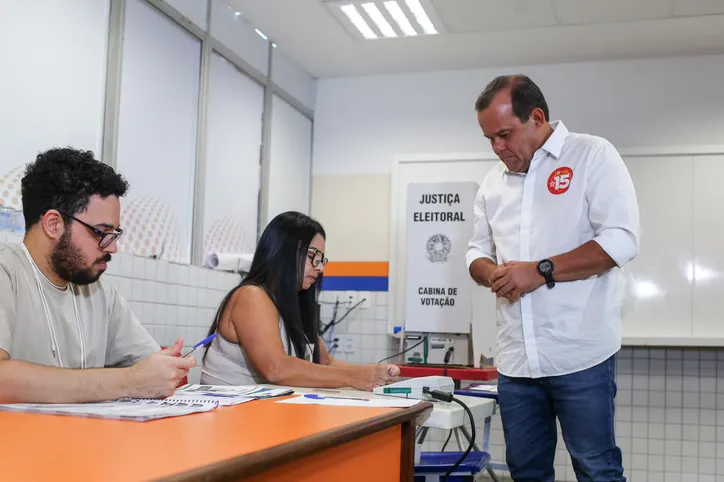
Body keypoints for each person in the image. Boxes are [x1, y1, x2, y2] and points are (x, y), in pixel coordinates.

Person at [466, 75, 639, 482]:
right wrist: (492, 273)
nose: (498, 148)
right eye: (489, 139)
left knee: (596, 468)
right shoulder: (493, 182)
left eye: (505, 134)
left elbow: (621, 240)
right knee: (525, 472)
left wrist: (541, 271)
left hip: (580, 356)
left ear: (537, 118)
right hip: (515, 362)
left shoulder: (591, 155)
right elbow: (475, 252)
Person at [0, 147, 195, 404]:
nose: (112, 247)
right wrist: (130, 381)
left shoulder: (98, 290)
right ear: (53, 224)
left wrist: (165, 369)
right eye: (100, 232)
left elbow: (147, 363)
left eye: (114, 234)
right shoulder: (7, 271)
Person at [202, 211, 400, 390]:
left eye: (322, 259)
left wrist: (375, 373)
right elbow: (276, 368)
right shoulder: (251, 296)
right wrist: (354, 377)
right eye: (313, 256)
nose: (320, 268)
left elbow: (326, 363)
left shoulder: (292, 303)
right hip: (230, 417)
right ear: (284, 253)